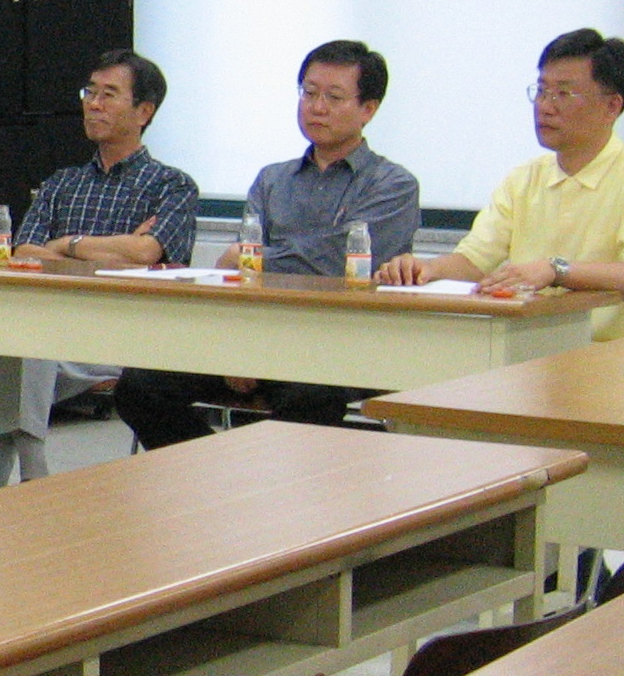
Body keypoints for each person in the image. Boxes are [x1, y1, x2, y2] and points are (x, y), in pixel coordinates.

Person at [114, 40, 421, 450]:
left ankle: (263, 480)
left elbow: (338, 264)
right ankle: (212, 472)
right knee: (139, 387)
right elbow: (245, 274)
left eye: (334, 97)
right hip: (256, 336)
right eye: (308, 93)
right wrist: (240, 346)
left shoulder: (394, 184)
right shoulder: (272, 180)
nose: (317, 107)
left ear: (368, 109)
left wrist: (252, 259)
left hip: (338, 345)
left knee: (311, 397)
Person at [0, 50, 199, 496]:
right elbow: (23, 252)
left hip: (126, 336)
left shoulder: (172, 185)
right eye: (90, 92)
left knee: (12, 351)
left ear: (144, 111)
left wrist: (65, 245)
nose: (94, 104)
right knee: (18, 344)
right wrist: (110, 255)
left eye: (109, 94)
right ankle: (33, 475)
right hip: (55, 328)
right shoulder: (62, 183)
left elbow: (147, 253)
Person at [380, 29, 624, 338]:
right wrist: (426, 269)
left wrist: (555, 270)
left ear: (611, 107)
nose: (545, 106)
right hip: (533, 349)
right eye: (541, 90)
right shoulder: (524, 179)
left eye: (563, 94)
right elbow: (474, 262)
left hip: (622, 354)